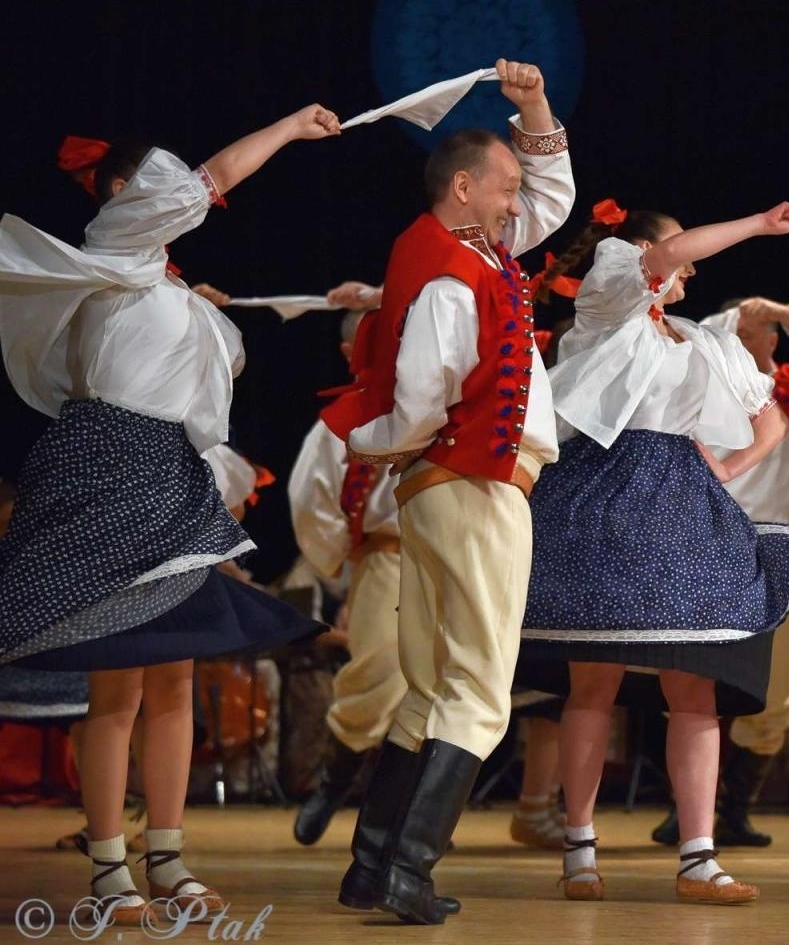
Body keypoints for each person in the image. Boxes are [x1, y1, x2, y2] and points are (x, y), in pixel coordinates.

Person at [0, 109, 337, 924]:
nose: (188, 194)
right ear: (124, 194)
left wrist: (194, 304)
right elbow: (217, 174)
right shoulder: (113, 243)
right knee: (116, 687)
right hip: (110, 465)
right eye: (167, 181)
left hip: (166, 472)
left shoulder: (151, 279)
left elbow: (203, 390)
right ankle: (110, 864)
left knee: (176, 678)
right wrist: (291, 126)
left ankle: (170, 857)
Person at [320, 59, 574, 924]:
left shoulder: (469, 250)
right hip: (471, 483)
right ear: (463, 187)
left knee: (430, 687)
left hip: (445, 486)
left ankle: (372, 866)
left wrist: (533, 107)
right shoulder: (447, 270)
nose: (518, 203)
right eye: (504, 187)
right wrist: (379, 441)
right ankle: (408, 873)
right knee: (479, 689)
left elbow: (552, 200)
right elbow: (423, 393)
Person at [519, 197, 789, 905]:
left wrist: (725, 468)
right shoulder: (609, 297)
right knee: (592, 681)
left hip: (680, 503)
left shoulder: (696, 337)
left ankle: (698, 856)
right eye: (677, 251)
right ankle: (580, 850)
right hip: (600, 494)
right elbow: (661, 257)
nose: (684, 268)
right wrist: (752, 222)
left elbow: (770, 418)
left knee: (696, 686)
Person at [649, 295, 789, 848]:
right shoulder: (702, 386)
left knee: (774, 693)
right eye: (740, 325)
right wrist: (731, 322)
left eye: (764, 328)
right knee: (696, 684)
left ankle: (734, 809)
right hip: (708, 550)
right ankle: (690, 809)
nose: (751, 333)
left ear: (776, 340)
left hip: (778, 553)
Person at [287, 308, 405, 846]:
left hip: (460, 548)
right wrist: (344, 557)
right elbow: (312, 497)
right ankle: (336, 777)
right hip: (392, 554)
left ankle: (410, 814)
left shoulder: (446, 398)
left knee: (446, 682)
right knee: (380, 670)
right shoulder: (345, 418)